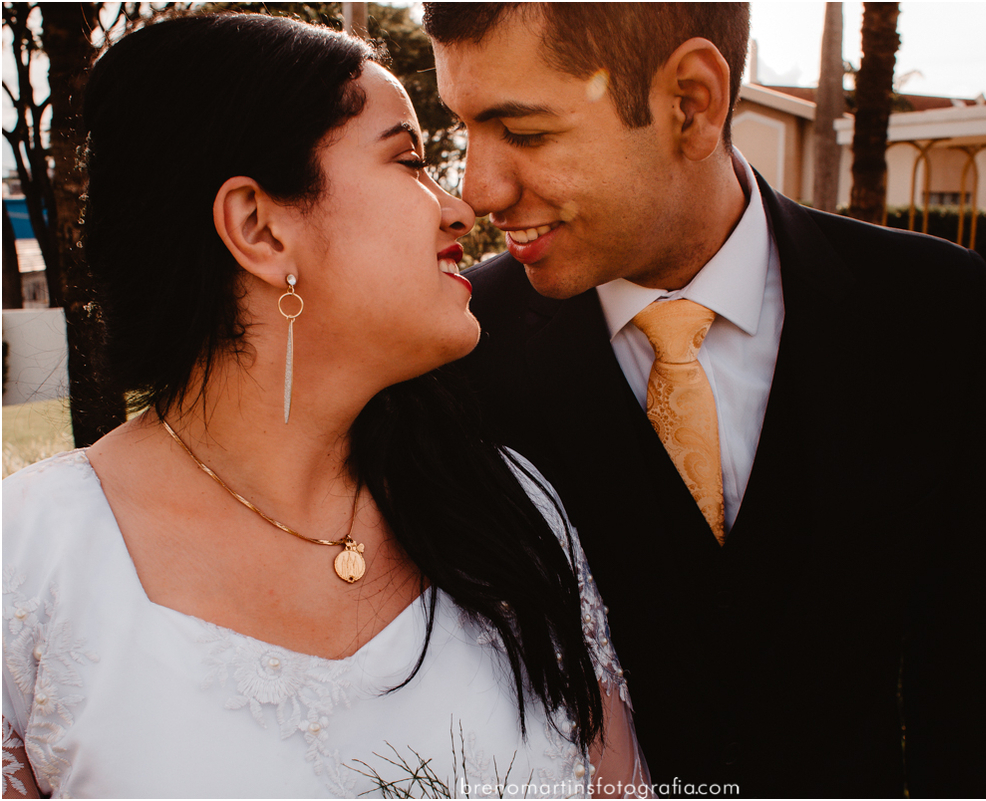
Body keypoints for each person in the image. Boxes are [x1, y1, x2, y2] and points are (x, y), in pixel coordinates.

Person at [1, 13, 651, 799]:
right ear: (260, 228)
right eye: (409, 160)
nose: (461, 206)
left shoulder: (514, 514)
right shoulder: (29, 570)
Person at [424, 2, 986, 797]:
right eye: (466, 129)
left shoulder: (926, 307)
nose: (479, 188)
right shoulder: (458, 346)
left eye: (526, 132)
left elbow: (965, 670)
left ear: (692, 103)